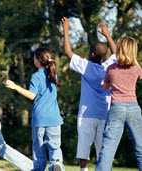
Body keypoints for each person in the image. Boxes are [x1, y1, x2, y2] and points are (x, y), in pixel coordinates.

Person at [61, 17, 116, 171]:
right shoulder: (110, 67)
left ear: (92, 54)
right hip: (104, 114)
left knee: (84, 146)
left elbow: (68, 52)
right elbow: (116, 53)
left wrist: (65, 30)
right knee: (102, 149)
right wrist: (107, 34)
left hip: (86, 115)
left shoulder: (86, 67)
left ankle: (83, 170)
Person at [5, 47, 64, 171]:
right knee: (55, 147)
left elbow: (32, 95)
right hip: (54, 119)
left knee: (39, 148)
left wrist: (16, 87)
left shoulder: (36, 76)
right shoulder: (53, 74)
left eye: (34, 57)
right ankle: (56, 164)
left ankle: (39, 168)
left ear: (38, 60)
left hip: (40, 119)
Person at [96, 36, 142, 171]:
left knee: (108, 147)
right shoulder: (136, 69)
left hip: (116, 108)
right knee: (140, 146)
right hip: (134, 107)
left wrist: (107, 83)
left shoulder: (111, 69)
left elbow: (104, 86)